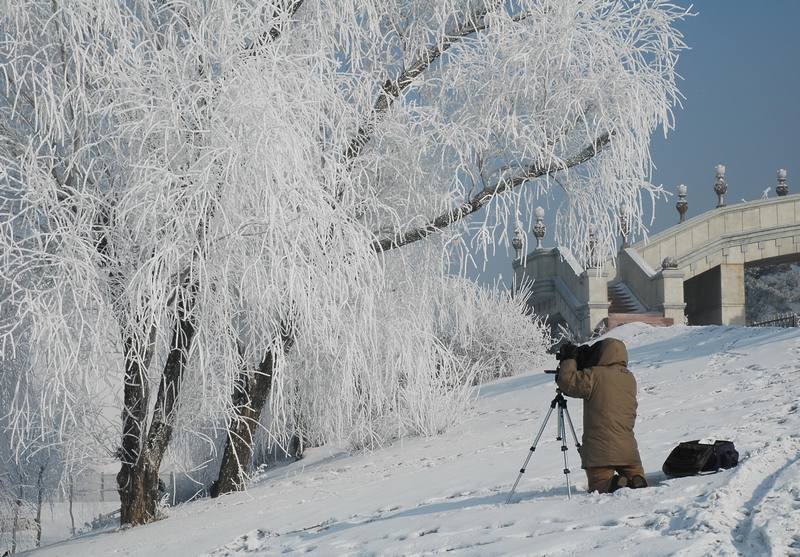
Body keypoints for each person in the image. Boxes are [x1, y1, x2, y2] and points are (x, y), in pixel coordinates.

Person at [555, 337, 647, 493]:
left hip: (600, 451)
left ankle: (614, 484)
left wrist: (569, 359)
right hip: (628, 449)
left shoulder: (594, 375)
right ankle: (636, 479)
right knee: (634, 473)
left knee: (600, 484)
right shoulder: (629, 378)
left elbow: (567, 381)